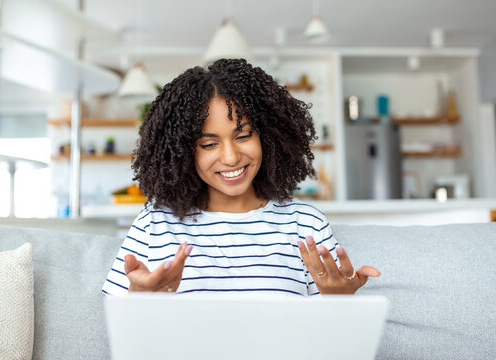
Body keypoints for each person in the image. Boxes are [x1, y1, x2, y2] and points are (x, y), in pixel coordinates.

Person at [102, 58, 380, 297]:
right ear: (183, 152)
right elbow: (113, 326)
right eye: (209, 144)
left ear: (269, 136)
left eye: (243, 136)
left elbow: (330, 337)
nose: (231, 157)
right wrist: (138, 299)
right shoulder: (154, 224)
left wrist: (339, 303)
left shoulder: (305, 225)